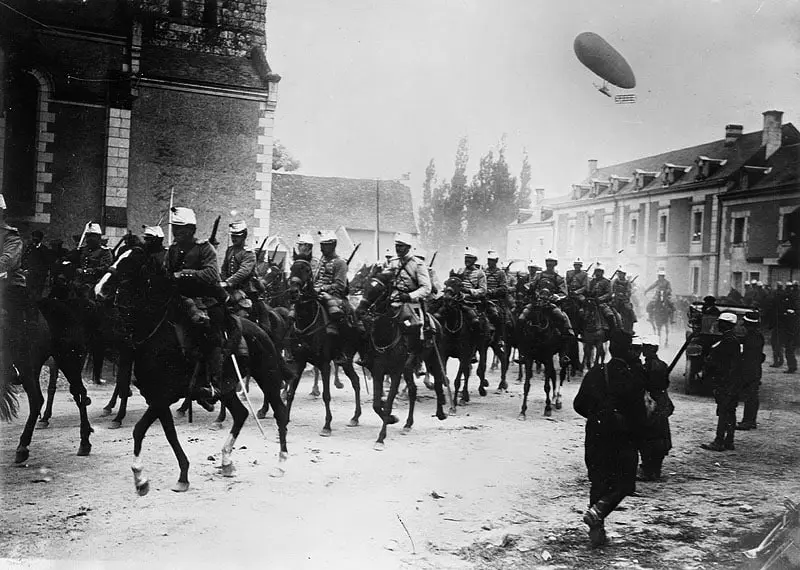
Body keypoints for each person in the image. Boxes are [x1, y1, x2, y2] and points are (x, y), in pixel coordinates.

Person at [573, 330, 647, 547]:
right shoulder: (632, 376)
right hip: (622, 437)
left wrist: (597, 417)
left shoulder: (596, 372)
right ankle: (600, 509)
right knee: (625, 483)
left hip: (595, 434)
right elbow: (639, 413)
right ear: (628, 351)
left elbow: (578, 404)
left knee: (598, 481)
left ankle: (597, 533)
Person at [166, 206, 228, 410]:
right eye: (174, 228)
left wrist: (184, 274)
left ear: (192, 229)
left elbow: (211, 274)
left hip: (205, 300)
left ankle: (212, 383)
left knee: (209, 336)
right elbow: (167, 272)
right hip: (178, 300)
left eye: (181, 228)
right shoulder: (173, 250)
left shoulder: (205, 248)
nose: (176, 232)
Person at [700, 312, 743, 451]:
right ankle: (729, 441)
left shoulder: (728, 341)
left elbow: (723, 363)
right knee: (730, 411)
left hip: (726, 382)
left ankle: (719, 441)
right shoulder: (731, 339)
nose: (718, 324)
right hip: (731, 382)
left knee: (724, 411)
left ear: (725, 324)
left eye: (720, 322)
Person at [0, 193, 27, 385]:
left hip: (10, 285)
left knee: (10, 323)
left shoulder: (11, 236)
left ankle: (12, 365)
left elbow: (8, 261)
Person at [638, 335, 673, 481]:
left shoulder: (645, 367)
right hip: (661, 402)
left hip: (650, 403)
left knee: (647, 437)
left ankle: (647, 470)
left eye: (646, 347)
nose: (643, 350)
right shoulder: (662, 365)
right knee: (660, 437)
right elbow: (666, 383)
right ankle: (656, 470)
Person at [519, 251, 575, 337]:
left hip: (551, 304)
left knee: (561, 317)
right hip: (537, 303)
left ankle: (567, 338)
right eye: (548, 262)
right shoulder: (539, 275)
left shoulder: (559, 278)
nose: (549, 264)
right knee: (522, 317)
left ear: (555, 263)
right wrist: (530, 290)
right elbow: (531, 287)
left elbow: (564, 293)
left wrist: (556, 296)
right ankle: (518, 339)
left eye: (551, 262)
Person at [313, 230, 350, 336]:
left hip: (334, 296)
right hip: (316, 293)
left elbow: (340, 285)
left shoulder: (340, 263)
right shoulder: (320, 262)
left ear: (333, 245)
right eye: (321, 245)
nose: (321, 248)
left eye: (325, 245)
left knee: (334, 311)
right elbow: (316, 280)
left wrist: (322, 288)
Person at [220, 220, 257, 317]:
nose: (234, 238)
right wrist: (223, 280)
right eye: (232, 236)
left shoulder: (249, 253)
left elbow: (244, 271)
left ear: (244, 236)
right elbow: (224, 268)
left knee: (243, 312)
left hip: (245, 289)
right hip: (229, 288)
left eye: (237, 236)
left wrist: (228, 282)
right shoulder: (230, 250)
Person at [736, 311, 765, 430]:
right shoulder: (755, 336)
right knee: (751, 395)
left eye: (746, 324)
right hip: (754, 369)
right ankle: (750, 420)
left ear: (749, 325)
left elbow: (750, 356)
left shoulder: (753, 337)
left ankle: (748, 421)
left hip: (750, 369)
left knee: (750, 396)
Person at [453, 246, 487, 332]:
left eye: (470, 258)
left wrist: (469, 291)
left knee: (475, 322)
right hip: (458, 300)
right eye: (466, 258)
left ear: (475, 260)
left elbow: (483, 291)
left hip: (471, 302)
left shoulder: (480, 273)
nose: (467, 260)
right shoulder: (460, 270)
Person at [75, 223, 113, 299]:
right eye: (87, 236)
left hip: (96, 282)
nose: (89, 239)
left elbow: (104, 268)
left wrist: (85, 271)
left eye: (92, 236)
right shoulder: (84, 250)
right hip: (80, 281)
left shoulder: (105, 252)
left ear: (98, 237)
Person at [586, 262, 620, 330]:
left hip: (603, 303)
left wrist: (600, 298)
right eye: (596, 271)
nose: (597, 273)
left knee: (609, 315)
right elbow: (588, 291)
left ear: (602, 272)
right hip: (592, 302)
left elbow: (609, 293)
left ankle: (613, 331)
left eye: (599, 272)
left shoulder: (606, 282)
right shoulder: (592, 281)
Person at [484, 250, 509, 341]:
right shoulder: (483, 272)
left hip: (495, 300)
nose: (489, 262)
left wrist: (492, 291)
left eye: (492, 260)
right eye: (489, 260)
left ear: (496, 261)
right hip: (483, 299)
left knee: (496, 316)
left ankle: (498, 338)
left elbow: (504, 287)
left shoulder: (501, 273)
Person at [22, 229, 51, 303]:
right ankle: (29, 304)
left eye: (36, 239)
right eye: (33, 238)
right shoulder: (29, 248)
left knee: (38, 291)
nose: (34, 240)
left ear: (40, 239)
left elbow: (47, 261)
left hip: (40, 274)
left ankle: (37, 304)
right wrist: (25, 269)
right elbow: (24, 258)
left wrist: (45, 272)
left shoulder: (44, 249)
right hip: (30, 273)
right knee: (29, 290)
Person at [611, 266, 636, 333]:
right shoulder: (615, 281)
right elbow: (612, 289)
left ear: (624, 274)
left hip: (624, 300)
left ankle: (630, 328)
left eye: (621, 273)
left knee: (629, 310)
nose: (619, 275)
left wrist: (624, 295)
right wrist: (613, 295)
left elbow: (628, 292)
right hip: (615, 300)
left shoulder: (627, 282)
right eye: (618, 273)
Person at [781, 281, 799, 374]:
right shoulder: (793, 296)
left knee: (789, 348)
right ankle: (792, 366)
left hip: (792, 327)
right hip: (794, 327)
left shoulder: (791, 296)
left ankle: (792, 366)